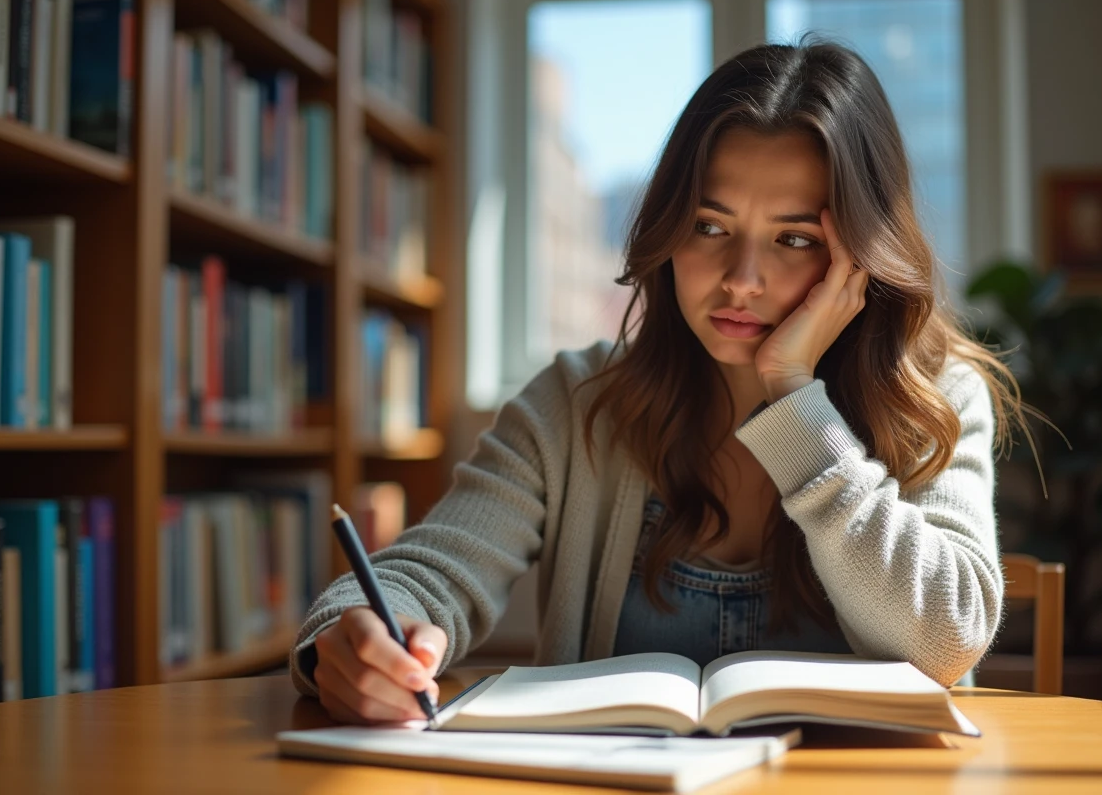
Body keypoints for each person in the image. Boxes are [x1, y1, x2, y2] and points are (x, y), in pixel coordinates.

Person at [292, 38, 1033, 725]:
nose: (741, 281)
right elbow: (429, 572)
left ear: (859, 259)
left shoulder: (932, 398)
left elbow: (947, 639)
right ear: (668, 230)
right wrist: (356, 634)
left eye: (794, 239)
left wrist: (796, 399)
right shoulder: (575, 403)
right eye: (710, 227)